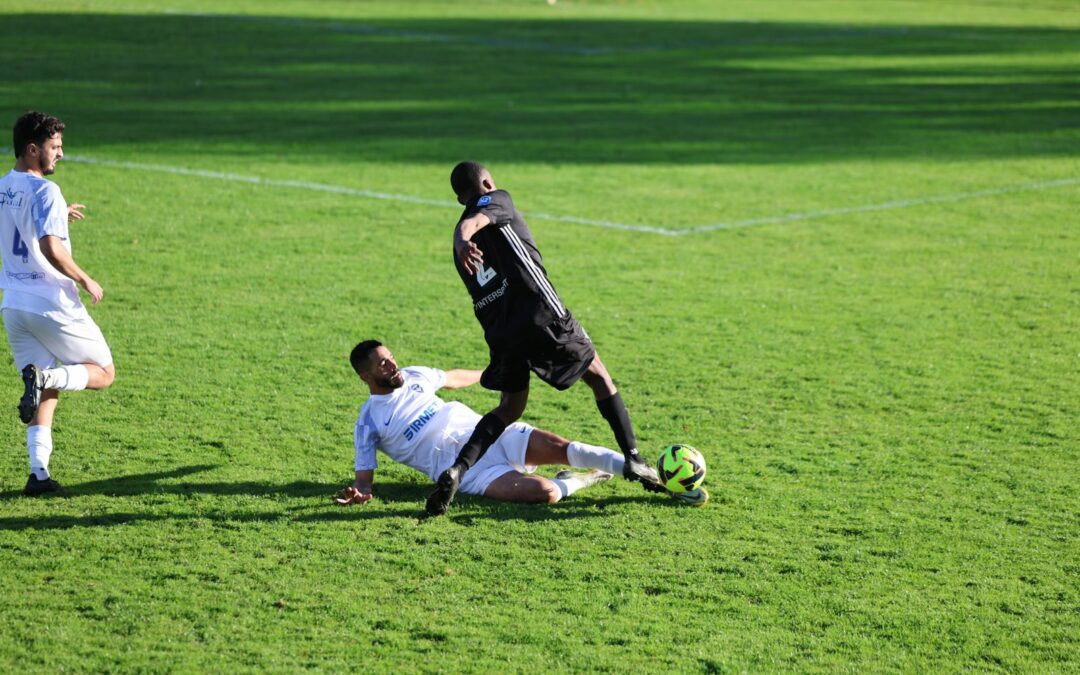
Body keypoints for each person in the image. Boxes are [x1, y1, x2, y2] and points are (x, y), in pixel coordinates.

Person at [424, 161, 663, 516]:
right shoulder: (494, 201)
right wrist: (464, 236)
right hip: (542, 317)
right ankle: (633, 459)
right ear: (486, 182)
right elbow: (476, 221)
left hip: (501, 333)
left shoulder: (460, 247)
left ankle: (458, 470)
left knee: (509, 408)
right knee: (598, 375)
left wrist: (459, 240)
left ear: (458, 196)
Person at [337, 340, 707, 508]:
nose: (392, 365)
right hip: (469, 473)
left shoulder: (416, 375)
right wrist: (360, 494)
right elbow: (364, 480)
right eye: (382, 364)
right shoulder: (369, 422)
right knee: (543, 493)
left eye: (390, 357)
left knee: (566, 447)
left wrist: (495, 373)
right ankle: (577, 481)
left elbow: (454, 377)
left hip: (489, 433)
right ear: (365, 376)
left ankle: (654, 479)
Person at [0, 111, 115, 496]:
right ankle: (45, 376)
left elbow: (18, 226)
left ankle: (38, 474)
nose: (61, 154)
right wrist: (85, 278)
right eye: (55, 147)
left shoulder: (3, 187)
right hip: (51, 303)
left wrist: (56, 216)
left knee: (43, 390)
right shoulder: (46, 191)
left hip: (14, 306)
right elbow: (50, 248)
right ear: (33, 149)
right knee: (103, 372)